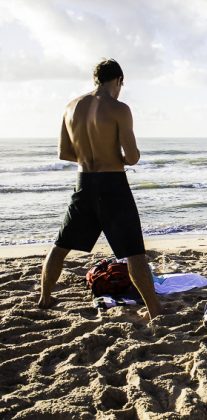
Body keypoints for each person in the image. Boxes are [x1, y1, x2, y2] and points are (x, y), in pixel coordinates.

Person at [38, 59, 163, 320]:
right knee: (134, 252)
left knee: (61, 245)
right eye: (121, 85)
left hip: (83, 183)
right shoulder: (119, 109)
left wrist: (88, 158)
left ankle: (45, 297)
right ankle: (154, 311)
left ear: (96, 79)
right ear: (118, 80)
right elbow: (132, 156)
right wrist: (117, 159)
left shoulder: (71, 107)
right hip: (113, 185)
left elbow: (64, 152)